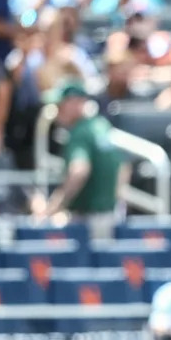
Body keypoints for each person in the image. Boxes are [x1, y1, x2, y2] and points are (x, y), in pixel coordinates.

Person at [35, 80, 125, 239]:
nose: (57, 110)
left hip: (87, 221)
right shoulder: (101, 125)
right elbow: (123, 167)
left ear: (74, 103)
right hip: (110, 216)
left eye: (60, 104)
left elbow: (79, 171)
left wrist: (56, 205)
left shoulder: (80, 133)